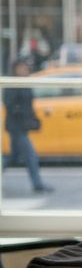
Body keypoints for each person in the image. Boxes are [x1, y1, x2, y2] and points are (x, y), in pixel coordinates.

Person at [3, 56, 53, 193]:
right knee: (31, 156)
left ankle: (38, 184)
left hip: (22, 126)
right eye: (22, 67)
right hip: (16, 127)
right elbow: (11, 106)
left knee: (13, 157)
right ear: (16, 69)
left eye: (26, 67)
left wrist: (33, 120)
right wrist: (24, 118)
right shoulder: (12, 84)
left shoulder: (25, 83)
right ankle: (37, 184)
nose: (25, 70)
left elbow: (28, 105)